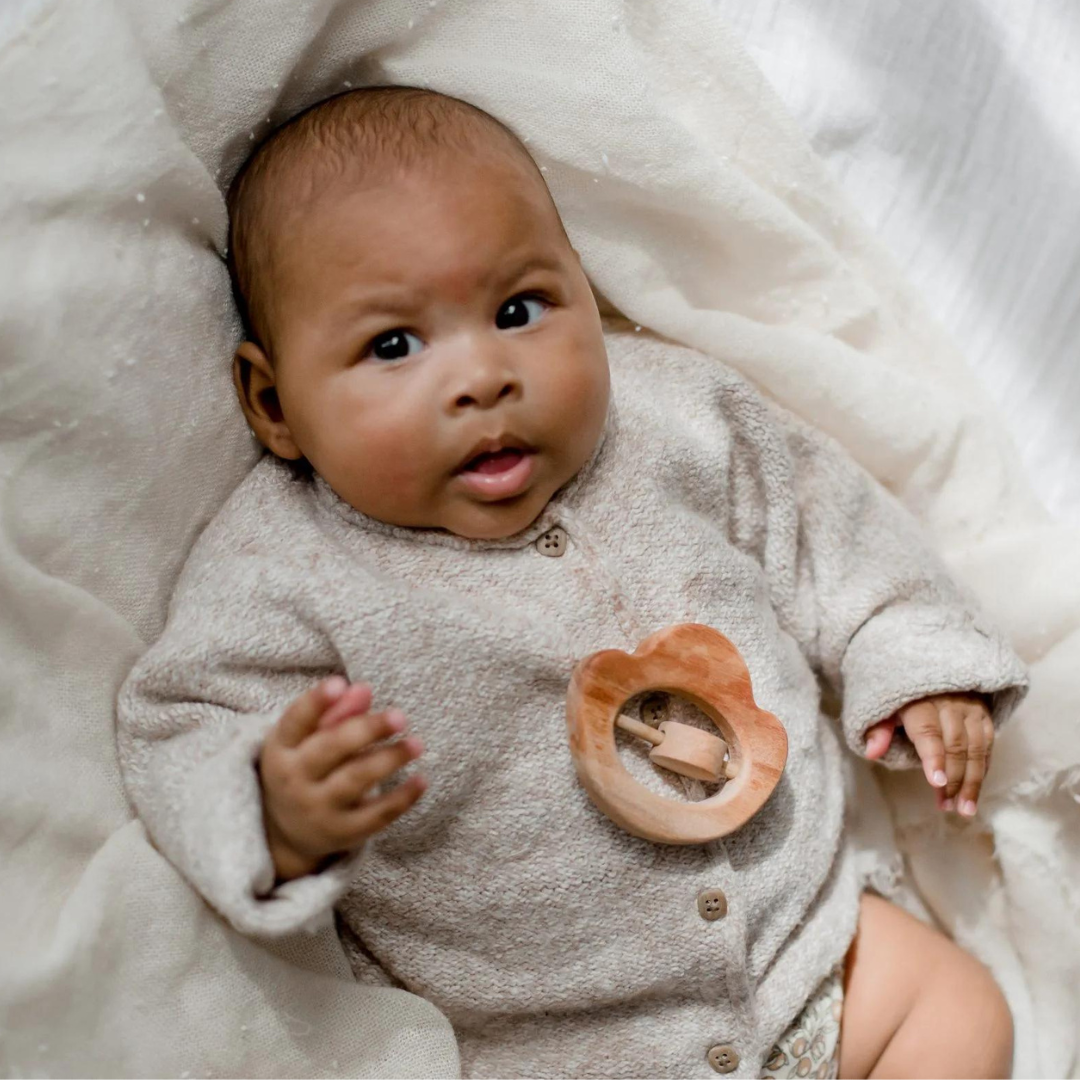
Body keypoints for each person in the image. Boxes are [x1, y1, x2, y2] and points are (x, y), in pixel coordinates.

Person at [116, 86, 1027, 1079]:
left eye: (518, 311)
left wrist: (913, 658)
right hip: (561, 1047)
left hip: (807, 951)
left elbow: (821, 523)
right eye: (393, 346)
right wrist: (271, 809)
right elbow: (179, 722)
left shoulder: (676, 419)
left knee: (959, 1011)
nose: (482, 378)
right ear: (274, 402)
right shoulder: (281, 567)